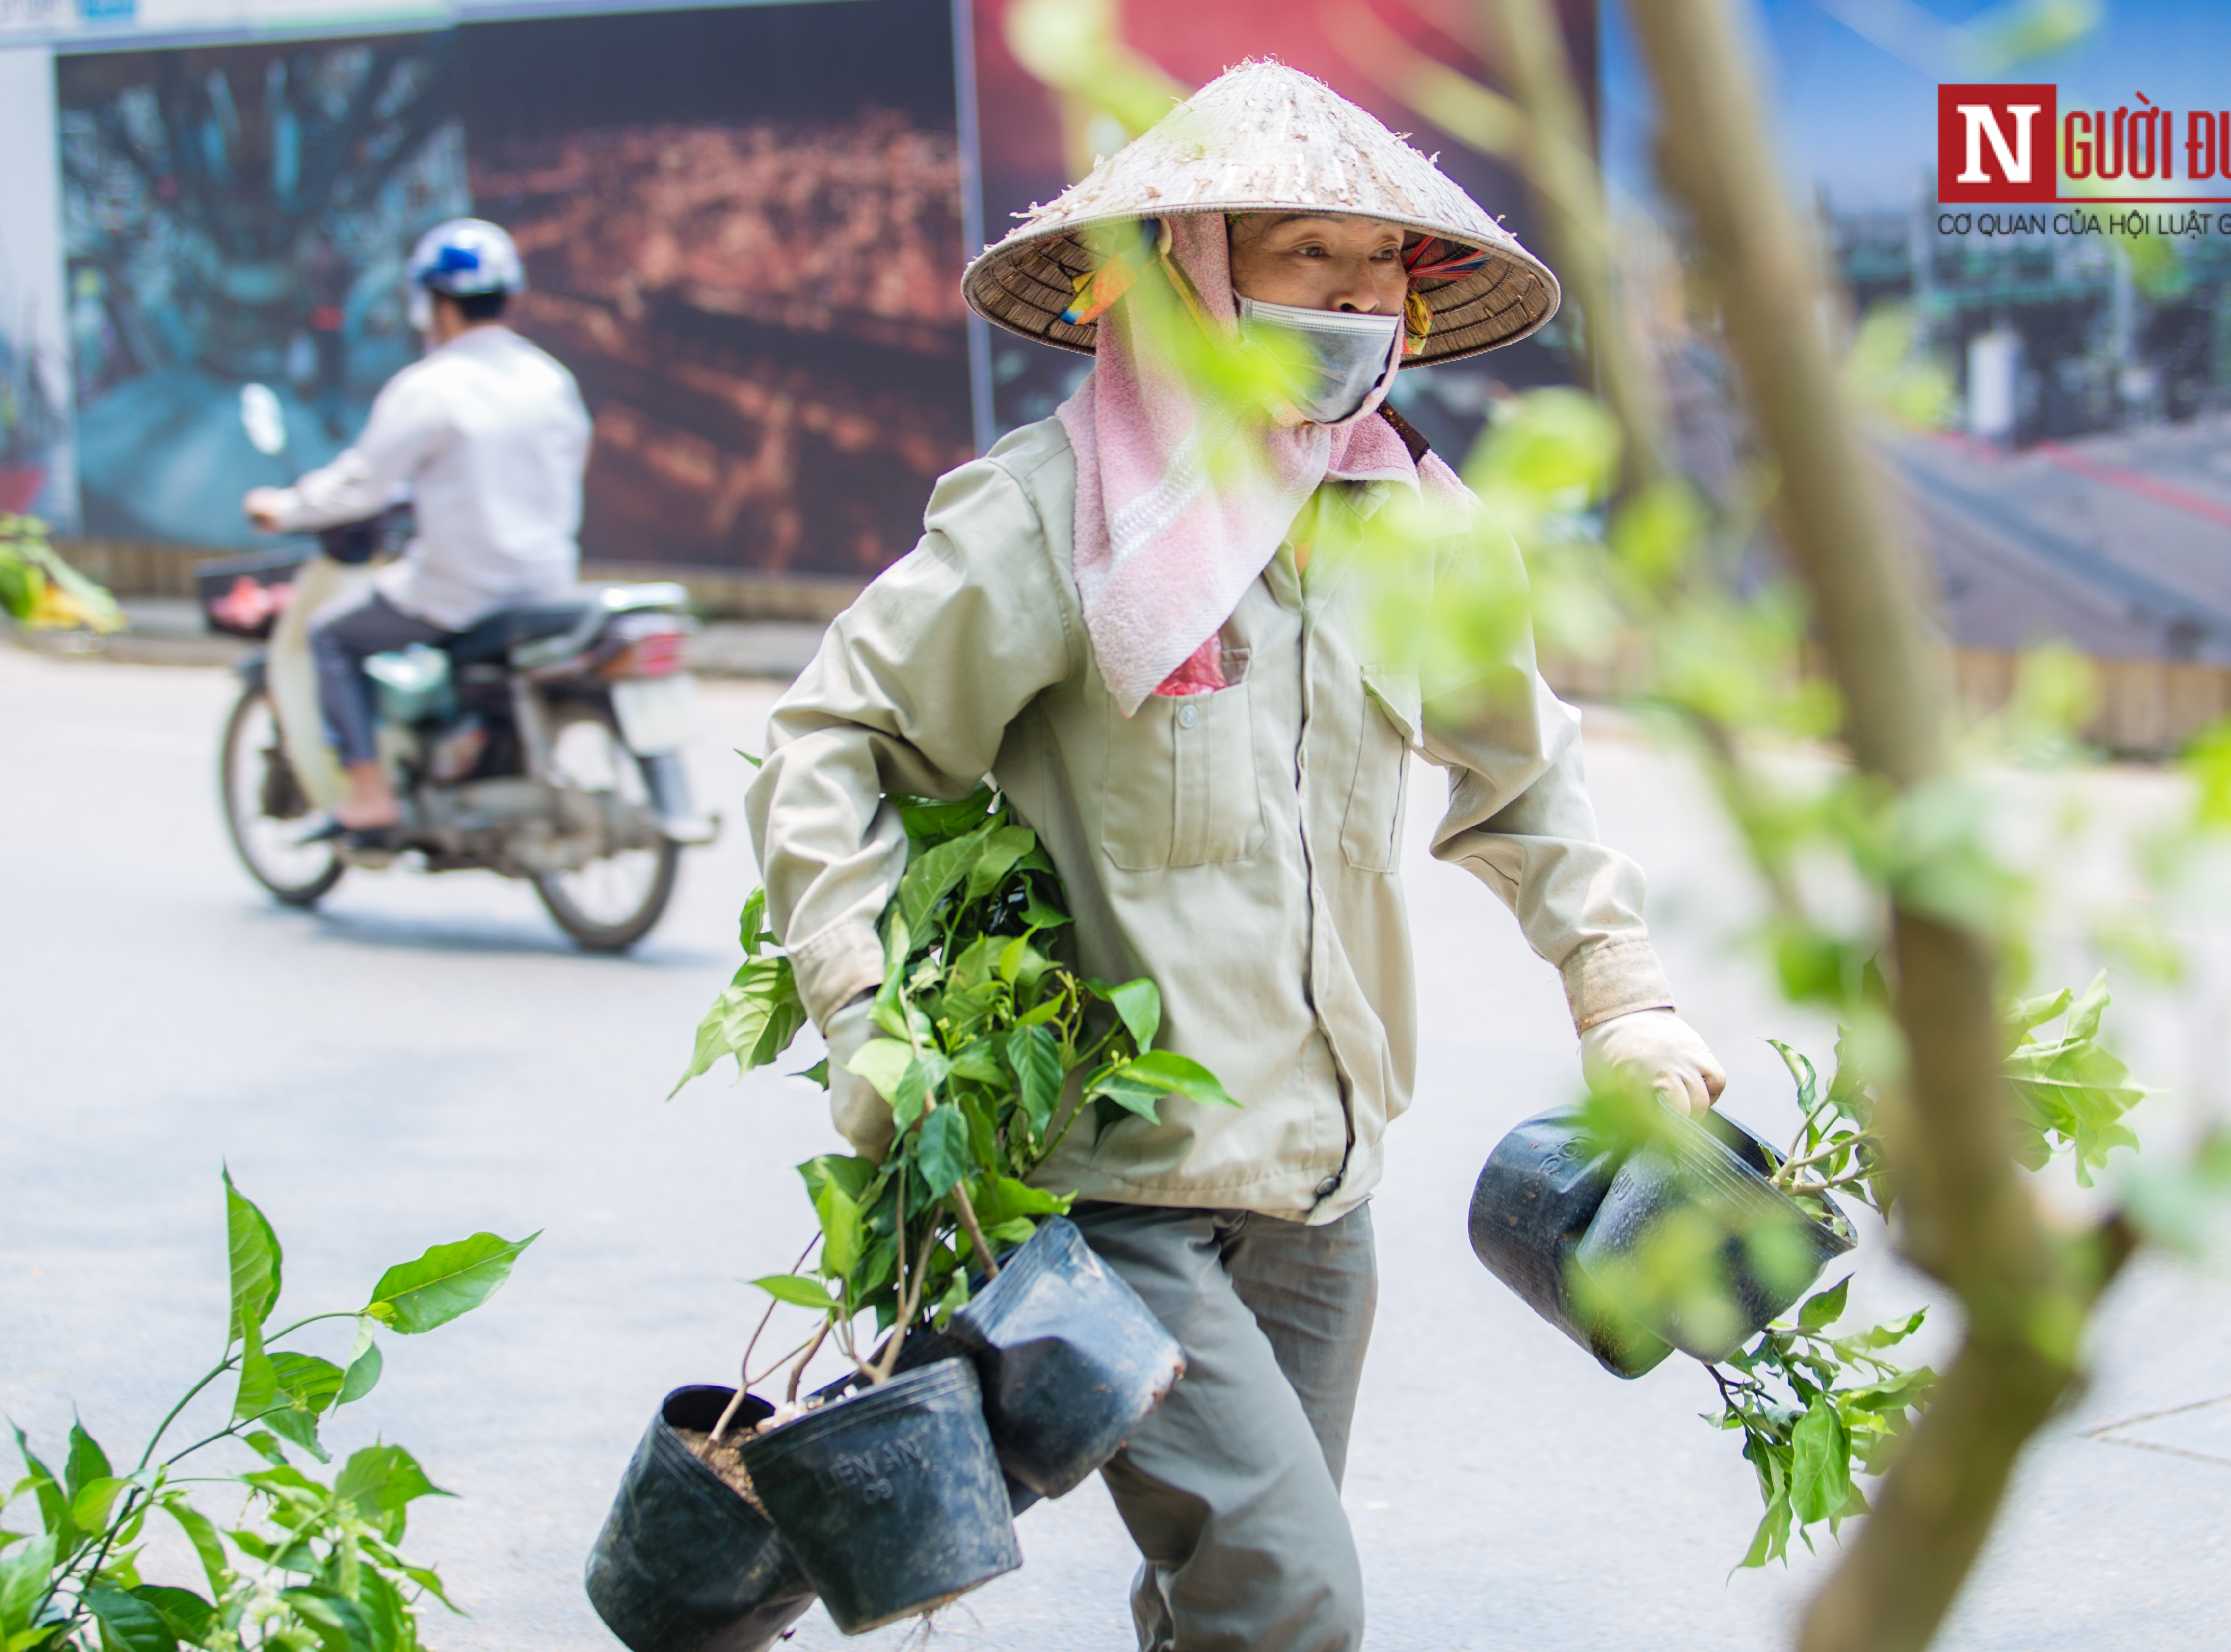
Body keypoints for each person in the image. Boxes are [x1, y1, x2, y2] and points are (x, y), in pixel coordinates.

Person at [748, 63, 1726, 1652]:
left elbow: (1523, 774)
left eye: (1377, 263)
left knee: (1218, 1599)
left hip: (1321, 1186)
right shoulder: (1050, 517)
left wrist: (1621, 996)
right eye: (1300, 256)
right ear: (1194, 277)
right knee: (1288, 1594)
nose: (1351, 299)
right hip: (1112, 1191)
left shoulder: (1409, 522)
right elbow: (830, 741)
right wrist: (865, 1011)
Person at [245, 218, 590, 831]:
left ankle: (371, 792)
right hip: (547, 585)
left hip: (462, 591)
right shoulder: (551, 379)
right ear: (508, 297)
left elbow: (361, 483)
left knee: (330, 636)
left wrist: (287, 508)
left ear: (432, 305)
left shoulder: (430, 387)